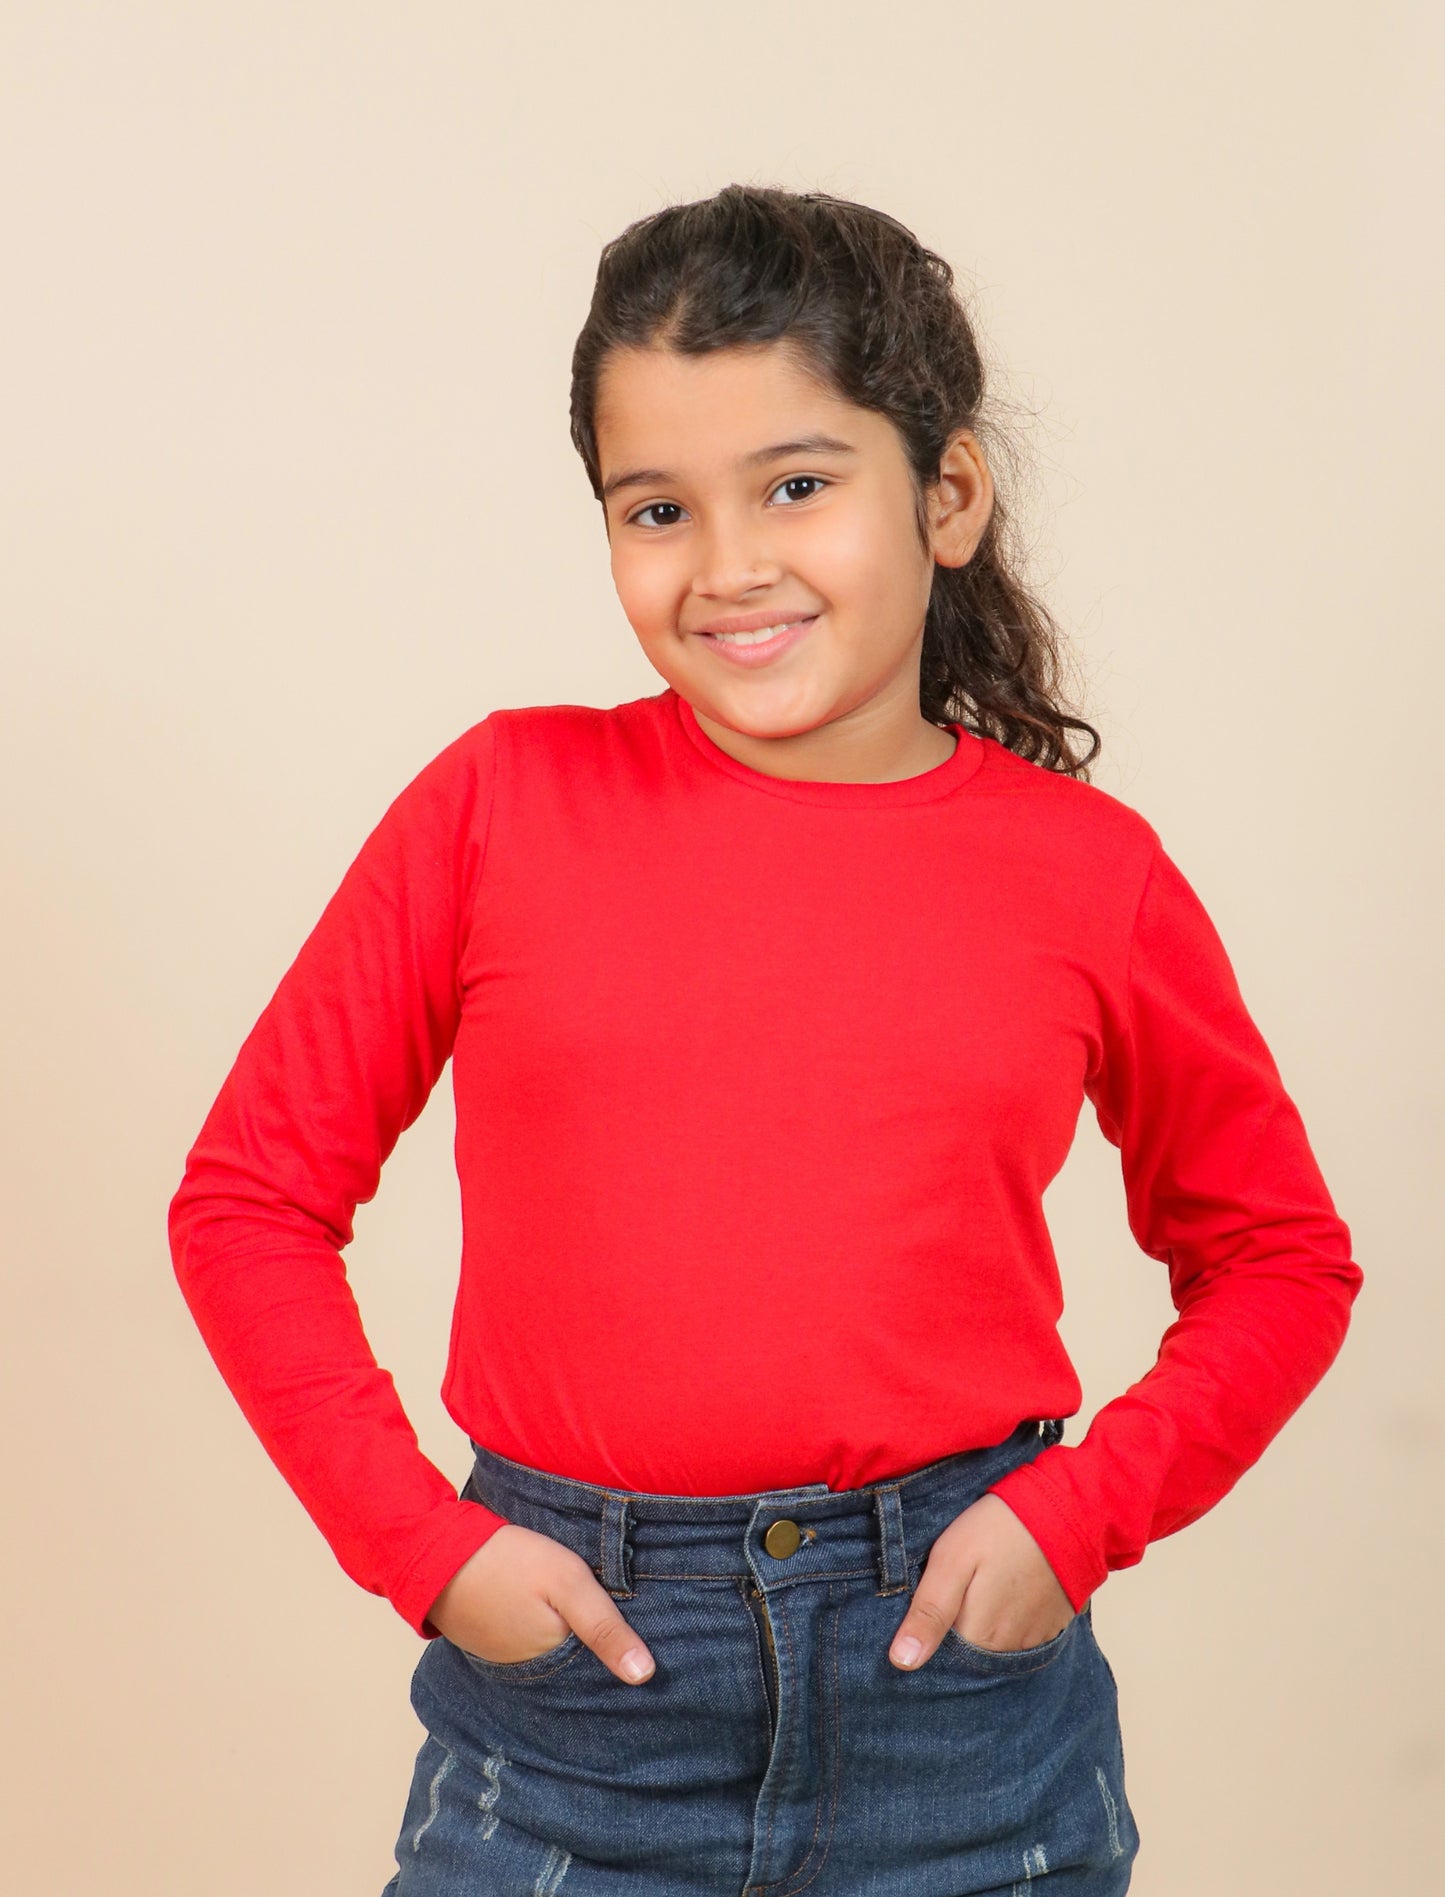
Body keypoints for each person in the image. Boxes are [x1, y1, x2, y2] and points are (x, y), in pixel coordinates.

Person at [167, 183, 1363, 1895]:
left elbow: (1277, 1255)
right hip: (578, 1705)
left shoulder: (1090, 876)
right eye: (656, 506)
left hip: (956, 1714)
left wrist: (1075, 1516)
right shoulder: (498, 805)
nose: (727, 565)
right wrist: (422, 1548)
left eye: (797, 486)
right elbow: (245, 1200)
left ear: (945, 493)